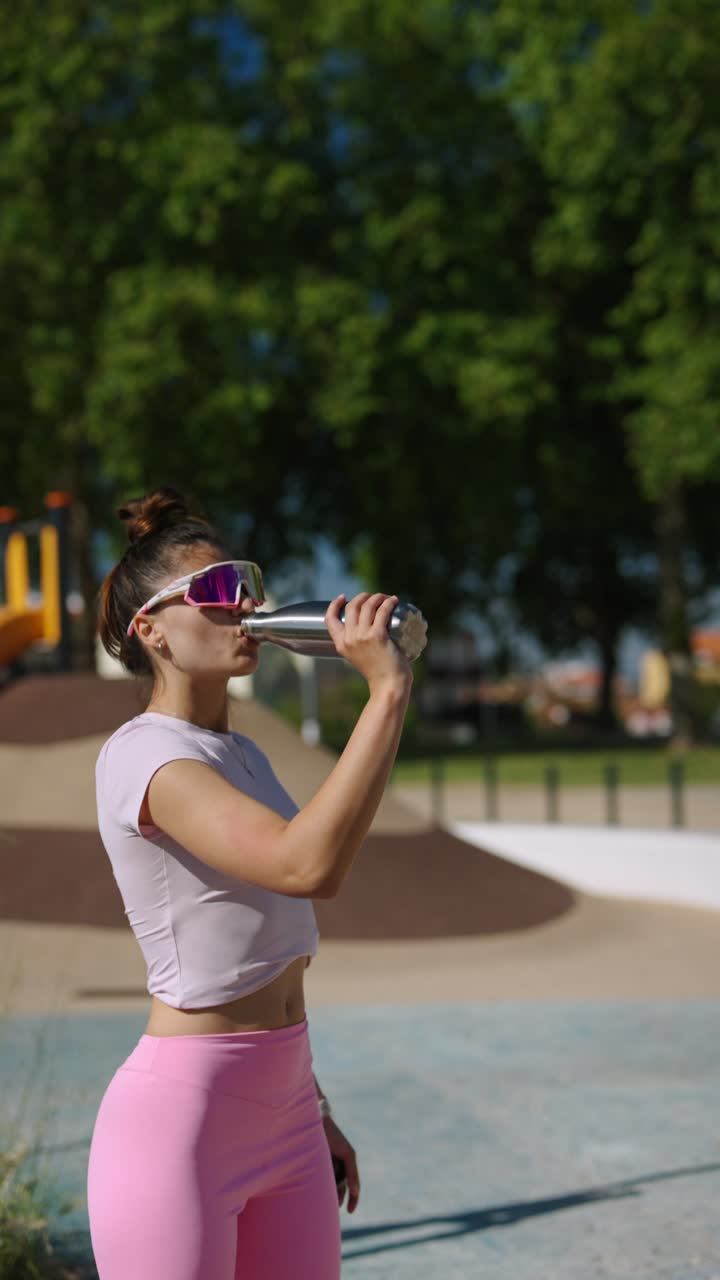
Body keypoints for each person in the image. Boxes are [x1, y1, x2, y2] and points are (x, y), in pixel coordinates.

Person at [85, 486, 413, 1280]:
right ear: (151, 629)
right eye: (218, 590)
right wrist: (386, 691)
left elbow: (265, 952)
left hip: (289, 1108)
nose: (246, 606)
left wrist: (314, 1105)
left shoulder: (245, 756)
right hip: (182, 1125)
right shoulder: (144, 755)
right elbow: (307, 866)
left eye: (248, 585)